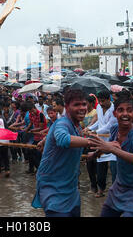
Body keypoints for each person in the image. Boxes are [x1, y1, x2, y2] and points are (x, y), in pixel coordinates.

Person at [89, 95, 133, 217]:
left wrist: (112, 149)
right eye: (121, 110)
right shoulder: (114, 129)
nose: (125, 114)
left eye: (129, 110)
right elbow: (112, 146)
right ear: (114, 113)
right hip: (119, 186)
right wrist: (96, 153)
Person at [32, 89, 91, 217]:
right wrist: (91, 142)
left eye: (84, 104)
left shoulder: (77, 126)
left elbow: (56, 133)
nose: (82, 108)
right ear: (67, 107)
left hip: (71, 187)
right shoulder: (63, 123)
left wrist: (45, 140)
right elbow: (63, 139)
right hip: (53, 187)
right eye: (76, 105)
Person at [83, 90, 118, 198]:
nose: (101, 104)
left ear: (108, 99)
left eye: (103, 101)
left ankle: (115, 192)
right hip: (100, 141)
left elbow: (109, 126)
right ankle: (101, 189)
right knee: (100, 167)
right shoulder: (99, 107)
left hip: (111, 141)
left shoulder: (114, 109)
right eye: (100, 101)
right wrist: (89, 128)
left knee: (114, 169)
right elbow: (99, 122)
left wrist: (95, 132)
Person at [81, 95, 99, 194]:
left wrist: (88, 128)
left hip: (95, 141)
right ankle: (93, 185)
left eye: (86, 103)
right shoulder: (85, 113)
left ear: (91, 103)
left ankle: (98, 185)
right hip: (87, 141)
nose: (84, 105)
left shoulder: (95, 112)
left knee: (95, 164)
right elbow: (82, 125)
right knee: (89, 165)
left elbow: (95, 125)